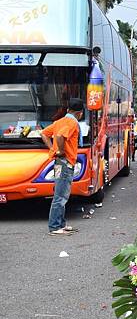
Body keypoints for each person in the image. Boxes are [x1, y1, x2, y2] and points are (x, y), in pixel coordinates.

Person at [41, 98, 84, 235]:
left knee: (62, 194)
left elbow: (44, 134)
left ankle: (61, 224)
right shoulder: (72, 122)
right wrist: (60, 150)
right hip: (65, 162)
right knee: (61, 196)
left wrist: (53, 150)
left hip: (60, 162)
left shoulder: (59, 121)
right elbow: (60, 136)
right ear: (80, 113)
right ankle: (55, 227)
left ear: (67, 110)